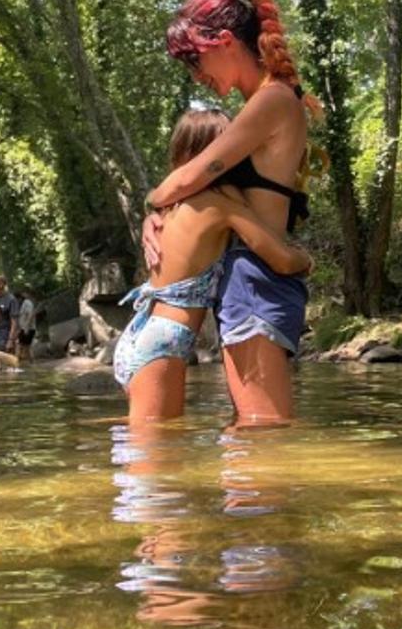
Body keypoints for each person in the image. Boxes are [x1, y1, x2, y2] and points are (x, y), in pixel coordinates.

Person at [146, 0, 320, 424]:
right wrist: (156, 217)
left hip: (254, 279)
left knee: (262, 434)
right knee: (254, 435)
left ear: (224, 41)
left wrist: (153, 201)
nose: (194, 74)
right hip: (250, 279)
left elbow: (187, 179)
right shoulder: (267, 102)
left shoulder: (272, 100)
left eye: (194, 59)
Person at [117, 108, 311, 424]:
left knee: (150, 457)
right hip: (166, 340)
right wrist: (307, 260)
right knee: (153, 460)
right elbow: (283, 259)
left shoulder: (167, 211)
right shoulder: (220, 206)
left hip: (144, 333)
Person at [0, 275, 19, 357]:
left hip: (3, 336)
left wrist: (10, 340)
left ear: (1, 284)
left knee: (5, 363)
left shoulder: (11, 299)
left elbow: (14, 322)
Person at [15, 290, 37, 362]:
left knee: (19, 345)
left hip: (27, 328)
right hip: (26, 328)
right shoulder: (23, 304)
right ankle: (32, 364)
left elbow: (30, 315)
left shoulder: (27, 303)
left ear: (19, 298)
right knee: (27, 347)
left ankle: (16, 364)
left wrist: (26, 328)